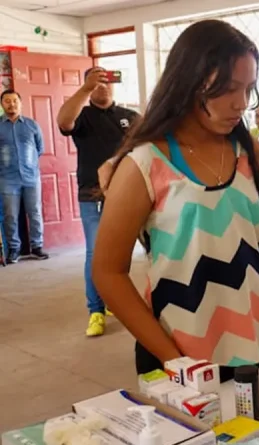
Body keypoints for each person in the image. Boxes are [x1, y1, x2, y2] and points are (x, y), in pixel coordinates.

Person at [91, 20, 259, 380]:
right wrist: (173, 359)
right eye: (228, 88)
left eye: (248, 88)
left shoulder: (248, 154)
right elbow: (108, 272)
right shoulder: (145, 164)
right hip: (180, 353)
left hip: (256, 344)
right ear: (189, 81)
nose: (241, 103)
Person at [57, 67, 140, 336]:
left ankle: (115, 299)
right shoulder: (82, 116)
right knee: (95, 252)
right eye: (96, 81)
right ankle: (96, 310)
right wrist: (86, 89)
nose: (102, 85)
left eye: (106, 80)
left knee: (124, 252)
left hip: (128, 193)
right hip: (92, 195)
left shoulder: (129, 117)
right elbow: (64, 122)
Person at [0, 89, 48, 263]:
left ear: (20, 103)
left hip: (31, 177)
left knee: (35, 212)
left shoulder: (32, 125)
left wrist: (29, 164)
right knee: (10, 215)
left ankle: (37, 247)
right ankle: (14, 249)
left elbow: (40, 148)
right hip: (7, 179)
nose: (11, 104)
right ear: (2, 104)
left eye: (15, 101)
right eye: (7, 101)